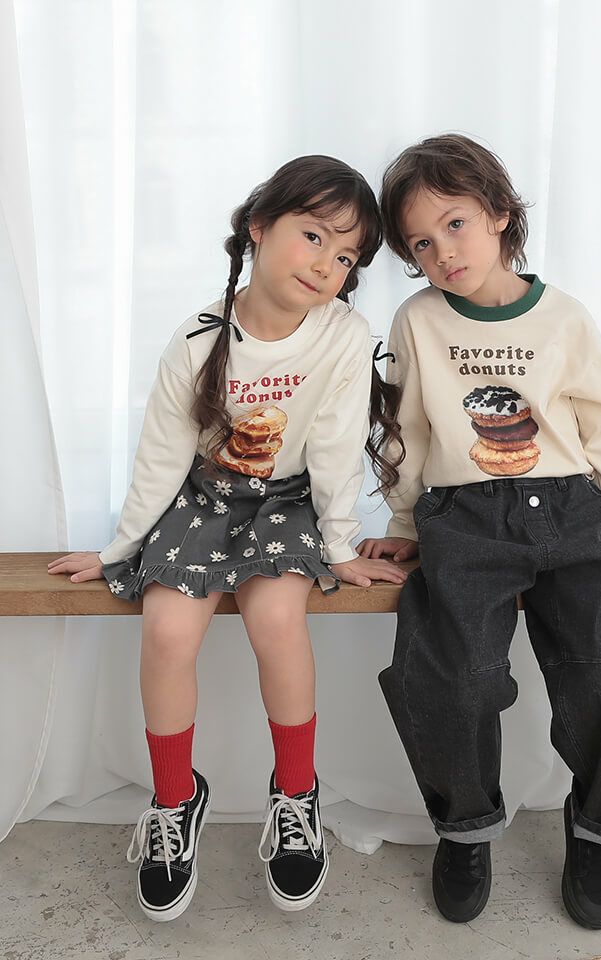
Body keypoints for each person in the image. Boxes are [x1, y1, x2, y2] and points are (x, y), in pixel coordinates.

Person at [48, 155, 407, 921]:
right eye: (314, 236)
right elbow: (162, 455)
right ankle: (175, 800)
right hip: (204, 498)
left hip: (288, 501)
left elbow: (336, 447)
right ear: (259, 227)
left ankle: (297, 794)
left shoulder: (344, 336)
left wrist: (341, 546)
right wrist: (119, 548)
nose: (327, 264)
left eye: (347, 257)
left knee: (277, 620)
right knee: (167, 630)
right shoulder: (199, 337)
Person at [358, 134, 601, 929]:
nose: (442, 253)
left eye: (455, 224)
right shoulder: (418, 320)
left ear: (499, 214)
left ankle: (597, 831)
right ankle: (465, 829)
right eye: (420, 243)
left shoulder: (563, 317)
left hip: (571, 511)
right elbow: (406, 429)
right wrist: (403, 522)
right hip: (463, 520)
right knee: (451, 677)